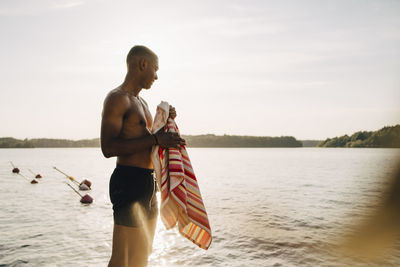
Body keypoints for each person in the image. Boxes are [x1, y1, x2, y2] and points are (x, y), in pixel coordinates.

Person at [101, 45, 185, 267]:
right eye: (155, 70)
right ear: (142, 64)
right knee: (122, 257)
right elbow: (108, 148)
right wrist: (156, 140)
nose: (156, 77)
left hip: (149, 183)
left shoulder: (143, 104)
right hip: (128, 181)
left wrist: (166, 120)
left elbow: (148, 140)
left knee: (143, 255)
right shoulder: (117, 98)